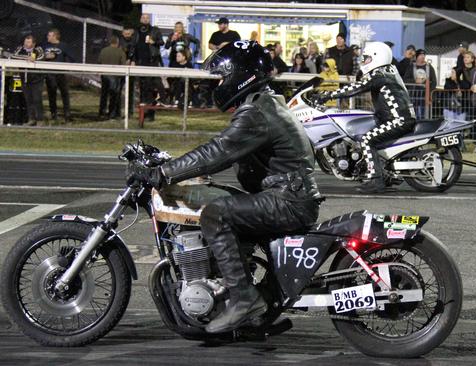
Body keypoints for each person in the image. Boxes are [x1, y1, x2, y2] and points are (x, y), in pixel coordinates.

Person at [125, 40, 321, 334]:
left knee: (215, 215)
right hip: (287, 195)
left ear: (239, 75)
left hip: (286, 200)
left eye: (221, 77)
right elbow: (223, 150)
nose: (219, 83)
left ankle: (243, 299)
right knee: (218, 197)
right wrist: (178, 167)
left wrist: (163, 173)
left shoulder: (255, 112)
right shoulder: (263, 103)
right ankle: (249, 298)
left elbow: (217, 152)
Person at [318, 42, 416, 193]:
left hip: (398, 120)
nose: (364, 62)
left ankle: (376, 180)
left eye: (367, 58)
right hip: (394, 118)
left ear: (377, 57)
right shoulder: (387, 71)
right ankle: (381, 172)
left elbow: (356, 87)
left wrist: (328, 95)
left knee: (367, 139)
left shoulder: (380, 73)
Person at [134, 14, 167, 119]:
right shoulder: (137, 30)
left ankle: (151, 113)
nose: (145, 19)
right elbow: (133, 46)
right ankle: (143, 114)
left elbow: (162, 42)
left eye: (147, 18)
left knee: (152, 86)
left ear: (149, 20)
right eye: (143, 18)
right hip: (140, 62)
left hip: (152, 61)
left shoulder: (155, 30)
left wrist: (154, 42)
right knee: (143, 88)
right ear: (140, 19)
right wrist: (132, 59)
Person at [43, 28, 73, 122]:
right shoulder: (45, 45)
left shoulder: (63, 46)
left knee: (65, 94)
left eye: (49, 35)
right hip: (50, 75)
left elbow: (72, 57)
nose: (47, 37)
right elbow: (39, 56)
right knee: (52, 95)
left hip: (60, 74)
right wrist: (45, 56)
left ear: (55, 36)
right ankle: (53, 114)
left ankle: (67, 115)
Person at [14, 35, 44, 126]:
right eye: (25, 42)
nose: (26, 44)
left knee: (37, 99)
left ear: (33, 44)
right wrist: (25, 58)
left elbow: (42, 57)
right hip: (24, 80)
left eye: (28, 42)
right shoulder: (20, 48)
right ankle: (31, 119)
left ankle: (40, 120)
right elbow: (14, 56)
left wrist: (34, 59)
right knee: (28, 100)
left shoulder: (38, 49)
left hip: (36, 80)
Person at [97, 36, 127, 120]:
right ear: (117, 42)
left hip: (105, 75)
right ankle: (112, 113)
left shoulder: (103, 51)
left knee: (104, 94)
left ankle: (102, 112)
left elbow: (99, 61)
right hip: (115, 76)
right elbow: (123, 64)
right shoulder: (120, 52)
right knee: (114, 95)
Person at [403, 49, 437, 119]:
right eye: (421, 55)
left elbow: (434, 81)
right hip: (413, 96)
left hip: (425, 96)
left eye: (424, 55)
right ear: (417, 56)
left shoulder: (429, 67)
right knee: (413, 115)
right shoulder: (411, 67)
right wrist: (414, 81)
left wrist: (430, 93)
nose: (423, 57)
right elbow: (405, 80)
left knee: (424, 115)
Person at [119, 26, 138, 115]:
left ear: (131, 33)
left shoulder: (134, 42)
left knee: (131, 89)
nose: (127, 35)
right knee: (118, 89)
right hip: (121, 67)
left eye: (128, 34)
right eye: (125, 34)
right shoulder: (119, 42)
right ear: (122, 33)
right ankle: (117, 110)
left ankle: (130, 110)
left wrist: (133, 60)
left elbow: (135, 53)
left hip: (130, 67)